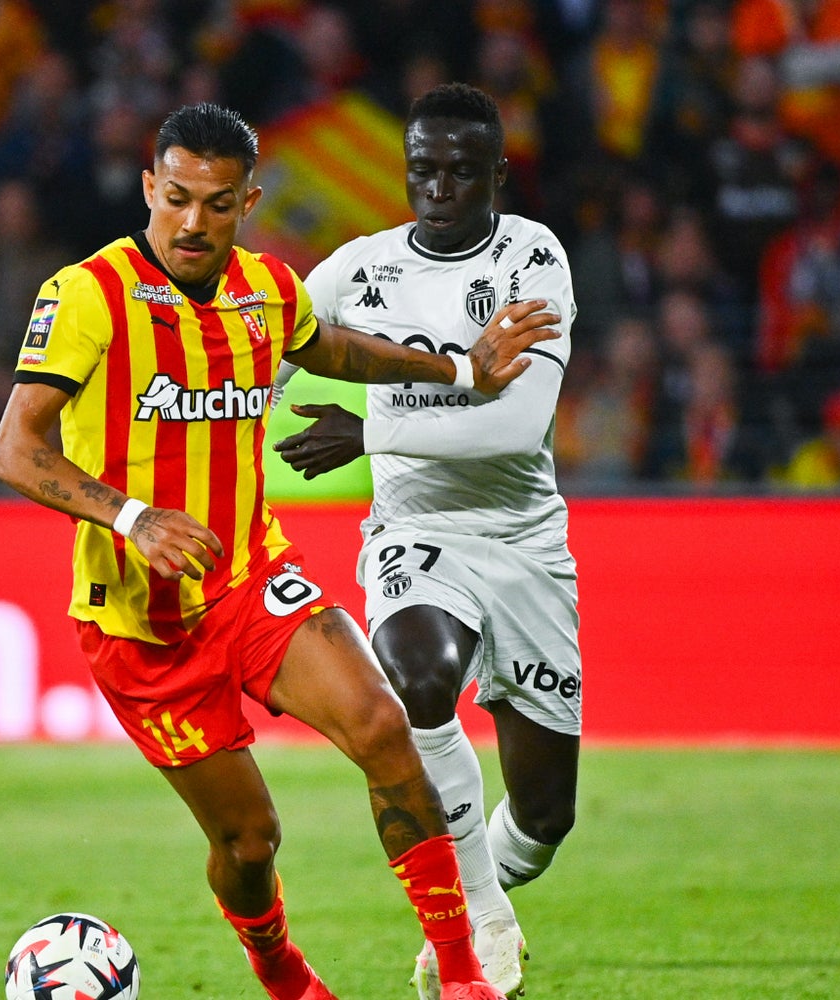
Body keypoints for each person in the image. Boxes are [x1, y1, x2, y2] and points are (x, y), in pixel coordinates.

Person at [0, 103, 559, 1000]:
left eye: (219, 204)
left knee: (384, 726)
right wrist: (134, 516)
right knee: (248, 843)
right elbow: (16, 450)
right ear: (149, 189)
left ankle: (463, 979)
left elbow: (333, 347)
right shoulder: (85, 296)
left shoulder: (266, 289)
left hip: (252, 582)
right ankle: (284, 975)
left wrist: (458, 368)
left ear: (248, 200)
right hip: (141, 629)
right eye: (177, 198)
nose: (194, 222)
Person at [272, 82, 582, 1000]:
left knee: (543, 819)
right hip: (416, 527)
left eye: (459, 170)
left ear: (497, 172)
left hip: (524, 539)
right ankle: (480, 926)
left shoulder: (534, 260)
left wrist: (363, 431)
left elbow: (516, 425)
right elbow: (254, 335)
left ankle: (492, 884)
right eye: (422, 170)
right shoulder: (358, 271)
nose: (438, 186)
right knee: (416, 677)